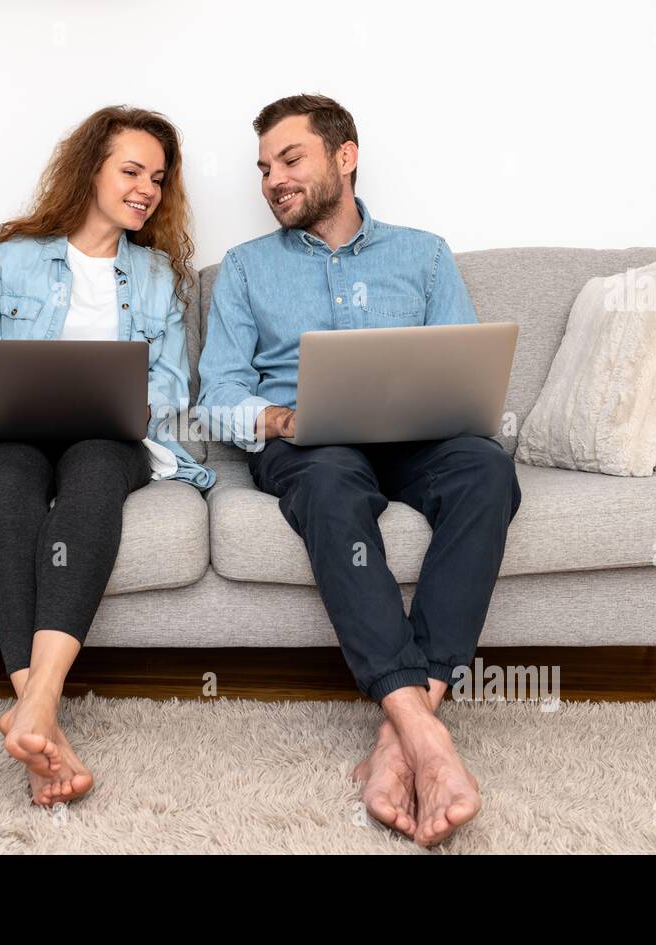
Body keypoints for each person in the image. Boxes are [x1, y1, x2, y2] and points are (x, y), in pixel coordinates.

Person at [195, 94, 521, 847]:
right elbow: (214, 400)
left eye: (290, 159)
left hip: (417, 436)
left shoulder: (425, 254)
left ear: (345, 157)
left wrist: (449, 408)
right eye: (263, 168)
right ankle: (427, 737)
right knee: (331, 485)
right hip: (308, 442)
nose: (273, 179)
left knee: (486, 472)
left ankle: (396, 734)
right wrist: (282, 419)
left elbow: (465, 369)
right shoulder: (244, 270)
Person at [0, 105, 214, 807]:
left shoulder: (159, 274)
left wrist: (125, 399)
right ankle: (38, 714)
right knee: (10, 484)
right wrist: (19, 393)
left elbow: (172, 383)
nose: (146, 189)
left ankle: (34, 705)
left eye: (157, 178)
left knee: (96, 470)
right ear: (90, 168)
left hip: (112, 433)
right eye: (131, 170)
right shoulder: (11, 258)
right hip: (14, 430)